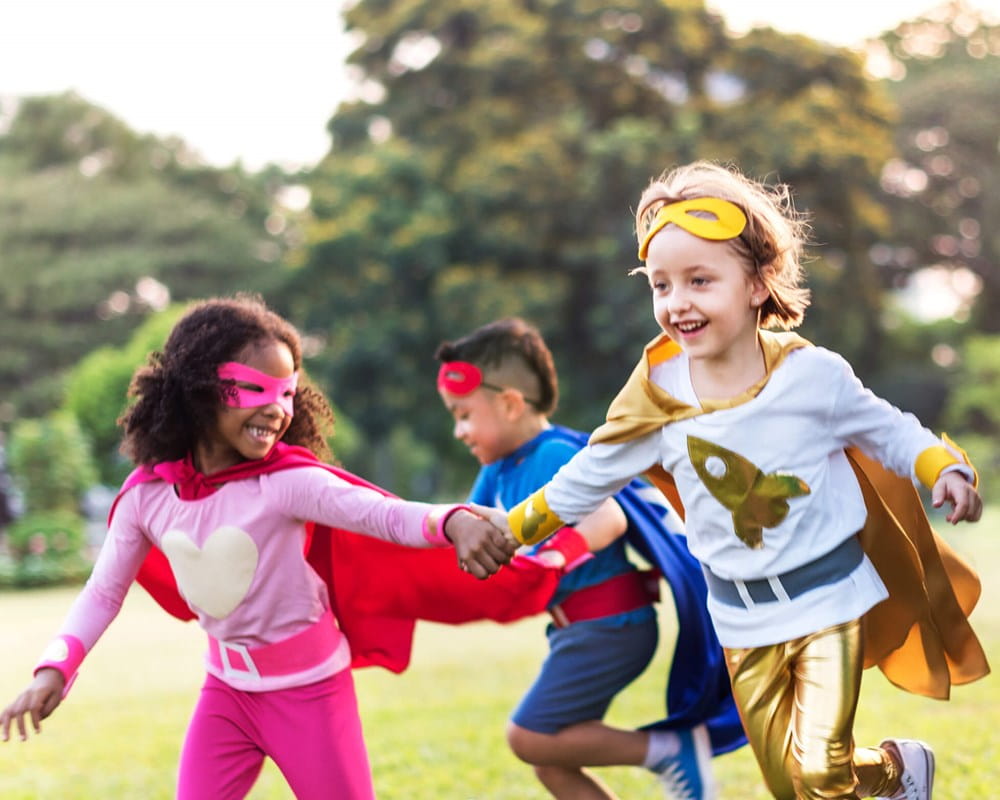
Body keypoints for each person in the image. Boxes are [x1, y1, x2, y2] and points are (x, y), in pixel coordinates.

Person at [502, 161, 990, 800]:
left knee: (819, 771)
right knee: (790, 786)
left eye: (700, 280)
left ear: (758, 284)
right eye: (662, 285)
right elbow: (584, 479)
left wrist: (943, 466)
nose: (678, 302)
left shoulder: (810, 376)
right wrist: (507, 532)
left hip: (828, 601)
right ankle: (894, 770)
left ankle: (892, 772)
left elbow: (889, 430)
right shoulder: (655, 398)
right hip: (739, 621)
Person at [0, 294, 516, 800]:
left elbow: (379, 513)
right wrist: (55, 668)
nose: (278, 409)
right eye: (255, 389)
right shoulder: (147, 496)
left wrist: (454, 522)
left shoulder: (286, 483)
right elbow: (103, 592)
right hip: (225, 694)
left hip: (312, 692)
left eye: (288, 393)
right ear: (199, 389)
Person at [436, 317, 745, 800]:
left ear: (512, 404)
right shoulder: (498, 471)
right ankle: (668, 749)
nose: (458, 431)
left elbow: (608, 519)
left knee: (528, 737)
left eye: (463, 415)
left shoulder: (552, 453)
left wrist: (554, 558)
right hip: (579, 630)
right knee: (551, 761)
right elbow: (465, 530)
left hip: (610, 626)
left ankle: (670, 748)